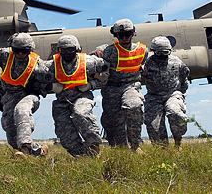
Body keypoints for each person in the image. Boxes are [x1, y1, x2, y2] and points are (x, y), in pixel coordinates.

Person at [0, 33, 49, 157]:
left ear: (30, 50)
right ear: (12, 49)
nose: (20, 54)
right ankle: (38, 151)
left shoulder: (38, 65)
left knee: (22, 111)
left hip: (29, 95)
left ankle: (25, 149)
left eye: (24, 51)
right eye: (17, 51)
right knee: (10, 130)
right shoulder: (4, 55)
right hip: (10, 96)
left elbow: (50, 81)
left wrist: (38, 87)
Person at [42, 35, 109, 157]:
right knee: (65, 134)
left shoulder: (90, 62)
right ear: (59, 51)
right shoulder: (51, 65)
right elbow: (36, 77)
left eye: (70, 50)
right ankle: (85, 157)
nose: (67, 53)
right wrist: (50, 87)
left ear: (77, 49)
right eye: (63, 50)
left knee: (81, 113)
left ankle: (94, 147)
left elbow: (105, 75)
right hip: (62, 101)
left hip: (82, 97)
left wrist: (91, 84)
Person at [100, 19, 148, 151]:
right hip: (111, 88)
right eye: (121, 35)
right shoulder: (108, 51)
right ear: (116, 36)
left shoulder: (143, 50)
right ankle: (120, 149)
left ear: (133, 34)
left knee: (134, 107)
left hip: (131, 86)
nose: (125, 38)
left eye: (128, 34)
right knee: (111, 121)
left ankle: (135, 145)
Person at [142, 36, 190, 148]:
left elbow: (184, 78)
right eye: (159, 54)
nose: (162, 56)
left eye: (165, 53)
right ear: (154, 52)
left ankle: (178, 142)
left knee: (174, 112)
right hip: (153, 97)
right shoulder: (148, 63)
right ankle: (162, 151)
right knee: (153, 124)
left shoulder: (177, 62)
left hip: (173, 94)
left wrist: (180, 94)